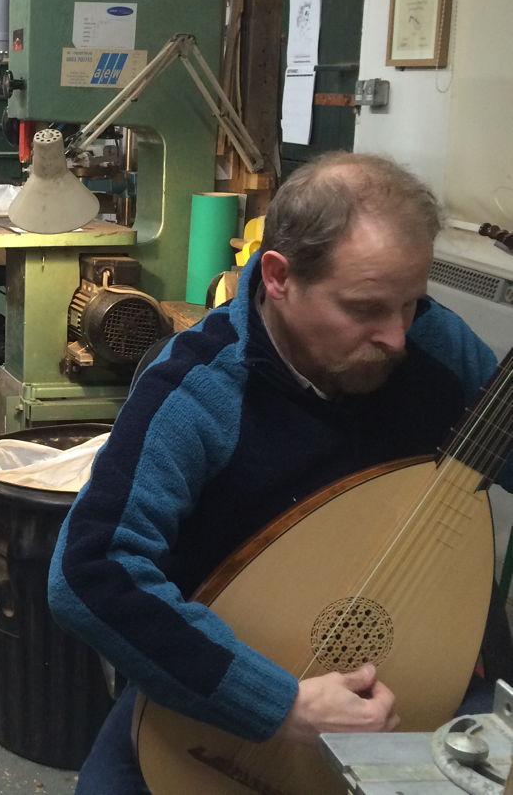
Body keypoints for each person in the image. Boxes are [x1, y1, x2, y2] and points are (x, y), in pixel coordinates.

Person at [48, 151, 510, 793]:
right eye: (366, 308)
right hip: (238, 682)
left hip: (429, 666)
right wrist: (282, 702)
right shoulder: (200, 390)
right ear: (279, 276)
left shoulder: (434, 344)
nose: (397, 336)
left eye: (410, 303)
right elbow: (90, 571)